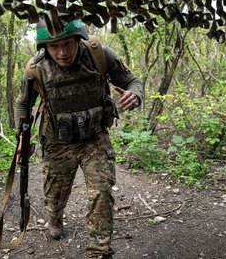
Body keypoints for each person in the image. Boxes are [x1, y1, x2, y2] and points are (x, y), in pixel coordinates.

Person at [14, 17, 144, 259]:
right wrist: (22, 136)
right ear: (45, 47)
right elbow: (24, 103)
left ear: (77, 39)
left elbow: (132, 81)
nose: (62, 52)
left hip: (94, 138)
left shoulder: (98, 54)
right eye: (54, 46)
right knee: (54, 197)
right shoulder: (36, 68)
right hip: (56, 140)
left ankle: (98, 252)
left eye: (67, 43)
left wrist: (135, 95)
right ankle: (55, 216)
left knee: (102, 192)